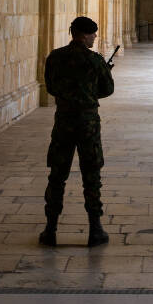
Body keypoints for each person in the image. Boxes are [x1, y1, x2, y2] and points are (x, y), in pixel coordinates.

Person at [39, 16, 115, 248]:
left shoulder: (55, 57)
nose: (94, 38)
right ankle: (95, 230)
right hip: (88, 123)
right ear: (83, 35)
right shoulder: (94, 60)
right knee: (91, 175)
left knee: (57, 175)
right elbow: (107, 89)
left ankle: (50, 230)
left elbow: (51, 87)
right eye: (93, 34)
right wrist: (90, 91)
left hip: (63, 122)